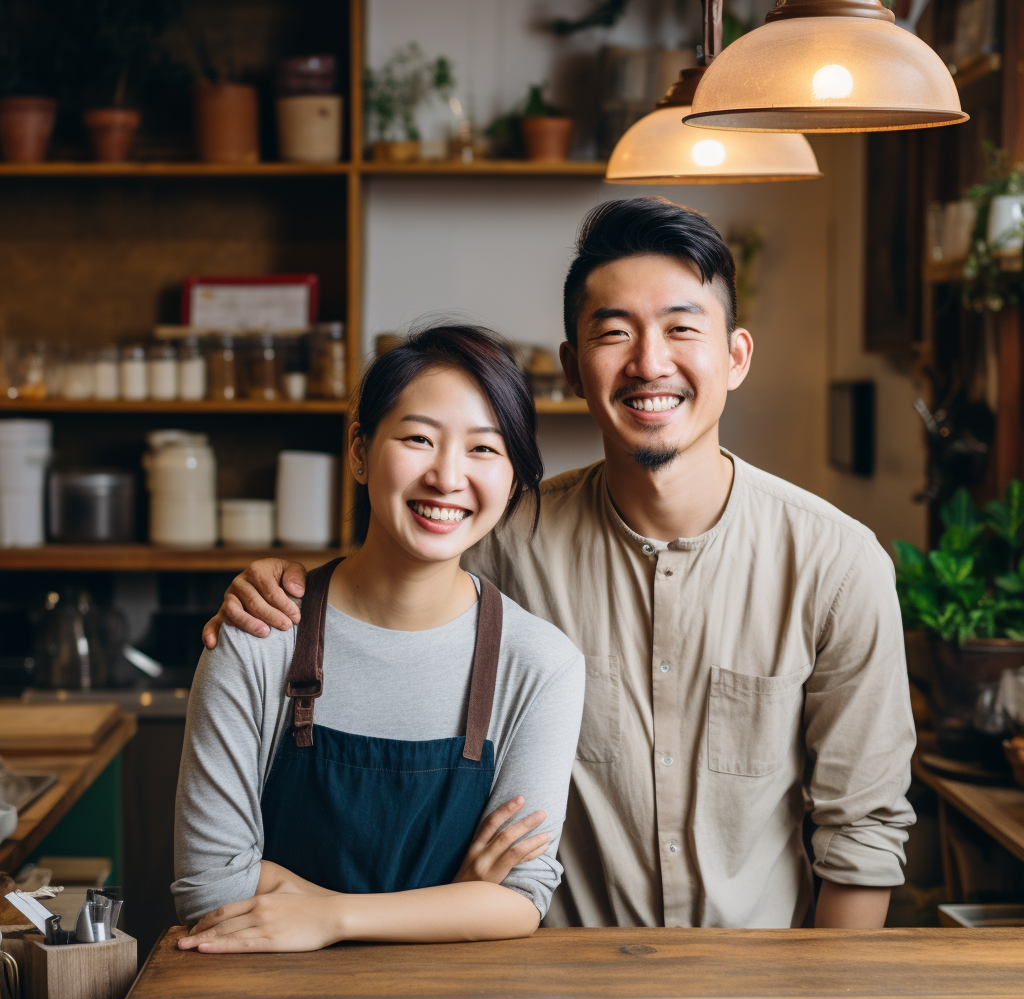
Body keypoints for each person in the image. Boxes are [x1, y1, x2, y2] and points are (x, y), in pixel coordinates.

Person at [203, 197, 917, 931]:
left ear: (734, 357)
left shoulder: (836, 562)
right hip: (550, 982)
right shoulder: (505, 541)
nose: (649, 362)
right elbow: (388, 571)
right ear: (574, 369)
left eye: (681, 329)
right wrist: (285, 584)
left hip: (753, 992)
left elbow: (861, 834)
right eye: (615, 333)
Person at [173, 325, 585, 952]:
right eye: (418, 439)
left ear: (513, 479)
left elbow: (519, 898)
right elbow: (207, 889)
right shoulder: (260, 638)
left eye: (484, 449)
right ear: (360, 452)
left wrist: (328, 916)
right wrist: (455, 898)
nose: (447, 477)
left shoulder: (539, 664)